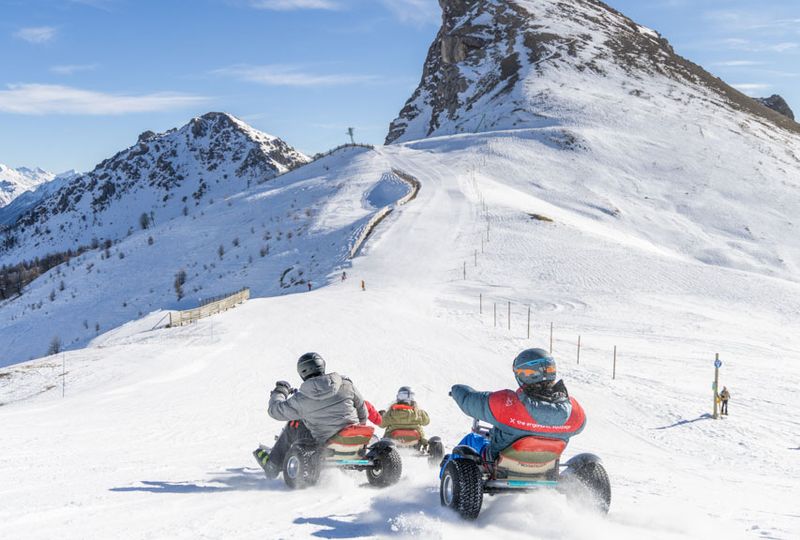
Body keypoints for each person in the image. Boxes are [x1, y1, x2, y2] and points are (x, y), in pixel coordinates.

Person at [449, 348, 586, 460]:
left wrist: (456, 390)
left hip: (499, 464)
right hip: (546, 466)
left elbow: (469, 402)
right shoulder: (574, 411)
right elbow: (579, 426)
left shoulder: (508, 403)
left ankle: (446, 477)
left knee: (472, 439)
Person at [253, 352, 368, 479]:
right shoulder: (346, 385)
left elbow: (275, 411)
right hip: (354, 440)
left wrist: (280, 391)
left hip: (323, 446)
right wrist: (359, 428)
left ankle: (272, 464)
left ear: (302, 372)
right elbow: (363, 410)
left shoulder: (300, 399)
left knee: (294, 424)